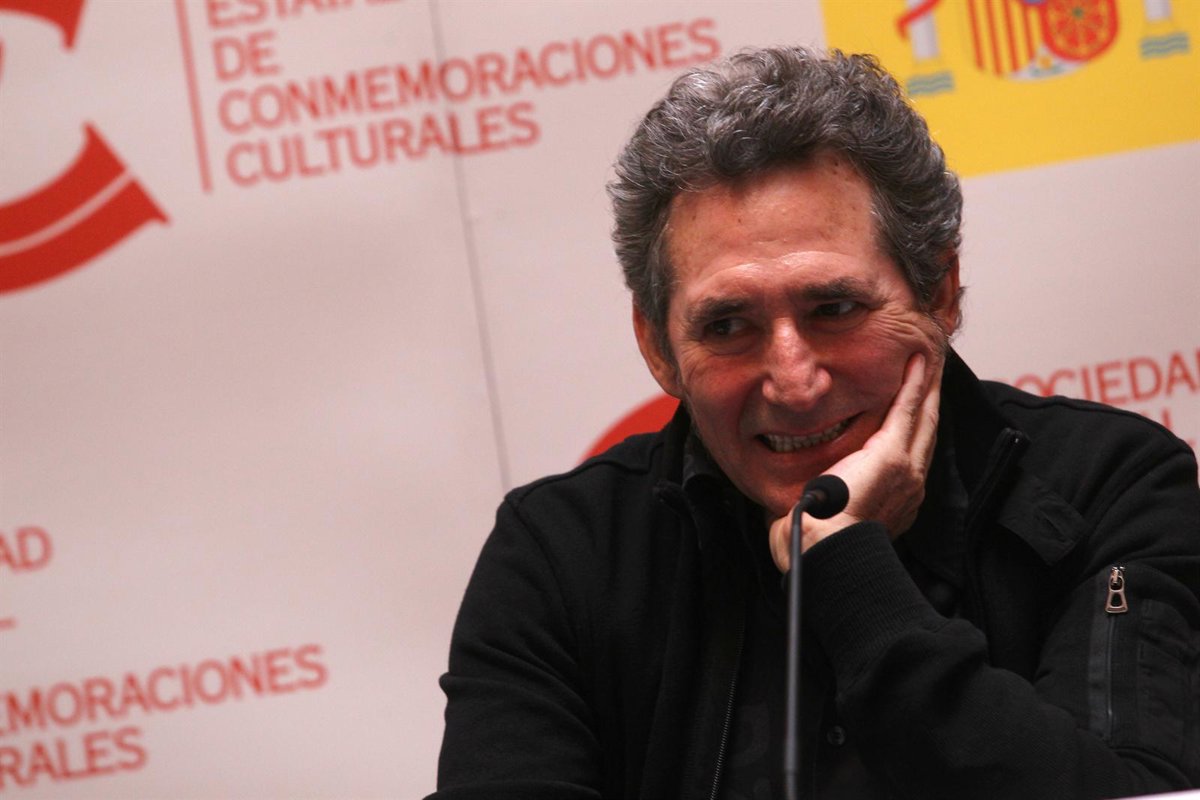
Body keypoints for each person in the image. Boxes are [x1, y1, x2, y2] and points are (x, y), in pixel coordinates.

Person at [428, 47, 1200, 799]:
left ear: (939, 292)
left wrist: (849, 574)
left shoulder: (1110, 487)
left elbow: (1138, 791)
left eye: (834, 308)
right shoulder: (564, 552)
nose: (795, 383)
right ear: (658, 346)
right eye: (728, 326)